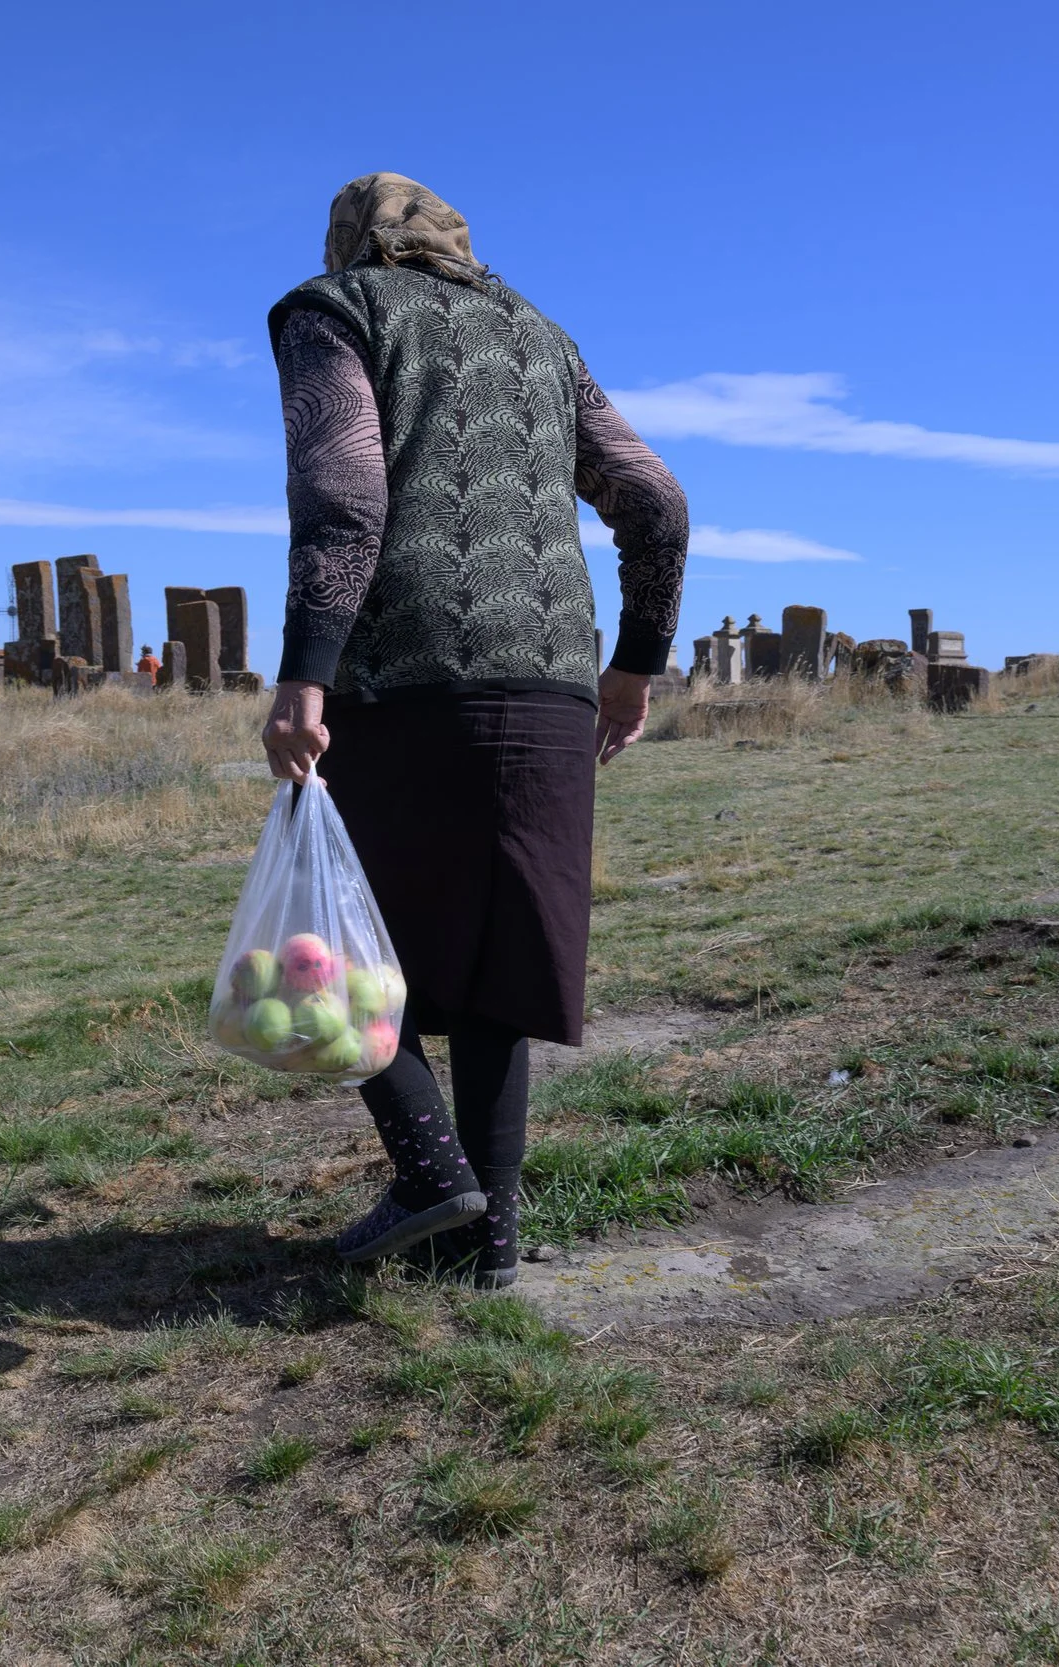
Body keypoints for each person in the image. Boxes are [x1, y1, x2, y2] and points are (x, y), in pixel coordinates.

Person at [260, 173, 689, 1287]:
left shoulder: (334, 308)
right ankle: (482, 1250)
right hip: (547, 684)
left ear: (353, 242)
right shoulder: (541, 337)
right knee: (500, 966)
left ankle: (427, 1170)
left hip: (403, 675)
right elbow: (654, 501)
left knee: (339, 944)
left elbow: (345, 493)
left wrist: (305, 675)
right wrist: (633, 664)